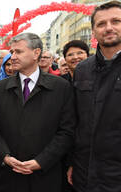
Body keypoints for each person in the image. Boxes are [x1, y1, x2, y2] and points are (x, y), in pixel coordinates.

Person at [0, 33, 75, 192]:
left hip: (45, 177)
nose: (12, 57)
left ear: (36, 53)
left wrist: (41, 161)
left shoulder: (60, 87)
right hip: (8, 177)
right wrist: (5, 156)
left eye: (18, 52)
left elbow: (66, 131)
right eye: (12, 52)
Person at [70, 1, 121, 192]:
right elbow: (74, 120)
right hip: (85, 173)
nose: (109, 28)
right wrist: (71, 163)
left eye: (116, 21)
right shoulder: (83, 69)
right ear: (93, 31)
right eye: (101, 24)